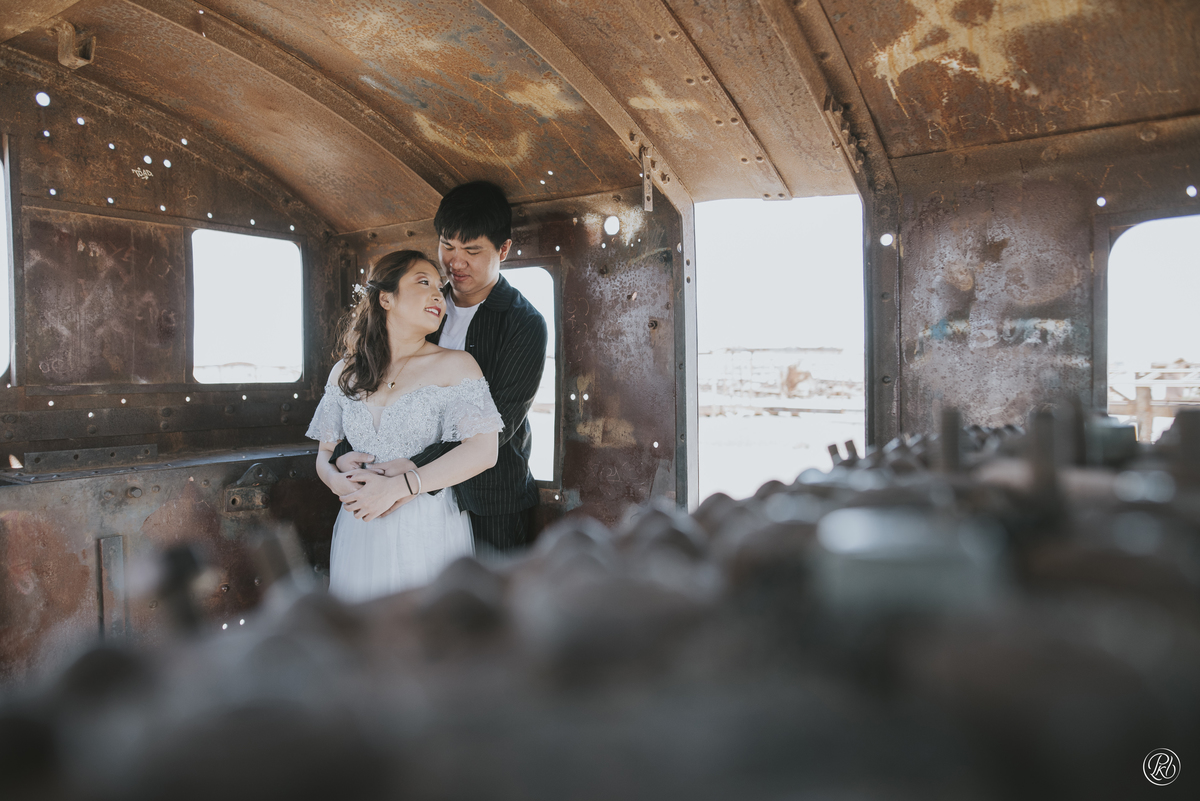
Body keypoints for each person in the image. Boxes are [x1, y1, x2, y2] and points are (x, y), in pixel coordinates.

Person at [336, 181, 548, 554]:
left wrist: (405, 471)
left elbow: (497, 424)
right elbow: (375, 389)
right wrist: (347, 458)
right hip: (401, 497)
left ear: (504, 249)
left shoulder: (524, 323)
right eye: (447, 246)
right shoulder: (416, 307)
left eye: (472, 250)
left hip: (487, 498)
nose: (456, 262)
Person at [308, 250, 503, 602]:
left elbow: (484, 452)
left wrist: (406, 485)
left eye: (440, 288)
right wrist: (334, 477)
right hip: (359, 525)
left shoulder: (457, 365)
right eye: (423, 282)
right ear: (386, 297)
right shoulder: (346, 372)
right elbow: (324, 454)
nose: (437, 295)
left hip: (426, 525)